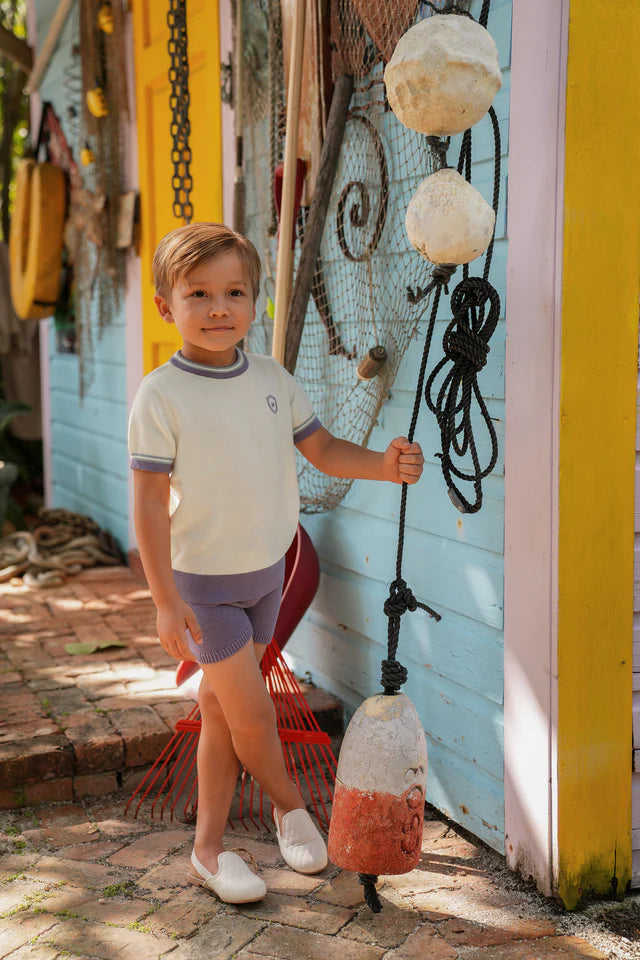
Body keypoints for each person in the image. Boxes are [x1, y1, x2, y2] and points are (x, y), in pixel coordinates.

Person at [128, 222, 425, 904]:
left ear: (257, 302)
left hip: (267, 577)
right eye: (198, 293)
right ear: (166, 306)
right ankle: (293, 808)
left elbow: (321, 451)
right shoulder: (160, 395)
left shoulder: (271, 379)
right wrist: (165, 600)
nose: (218, 307)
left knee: (221, 713)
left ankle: (207, 850)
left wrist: (382, 466)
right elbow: (147, 505)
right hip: (205, 589)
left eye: (234, 292)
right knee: (253, 716)